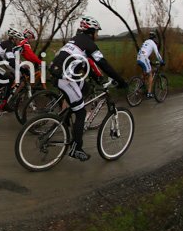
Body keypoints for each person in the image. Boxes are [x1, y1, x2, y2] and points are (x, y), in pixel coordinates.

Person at [49, 16, 128, 162]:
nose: (97, 35)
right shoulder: (89, 44)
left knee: (85, 88)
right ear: (91, 32)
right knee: (81, 113)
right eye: (97, 32)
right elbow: (103, 63)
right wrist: (121, 80)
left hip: (58, 73)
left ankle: (67, 117)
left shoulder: (76, 40)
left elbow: (84, 63)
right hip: (65, 79)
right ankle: (76, 149)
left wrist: (97, 78)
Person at [136, 31, 165, 99]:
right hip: (144, 58)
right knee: (150, 74)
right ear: (154, 38)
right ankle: (149, 93)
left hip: (138, 58)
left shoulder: (146, 42)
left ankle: (139, 87)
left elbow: (144, 52)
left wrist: (150, 62)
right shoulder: (153, 43)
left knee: (145, 73)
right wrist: (162, 61)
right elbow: (157, 54)